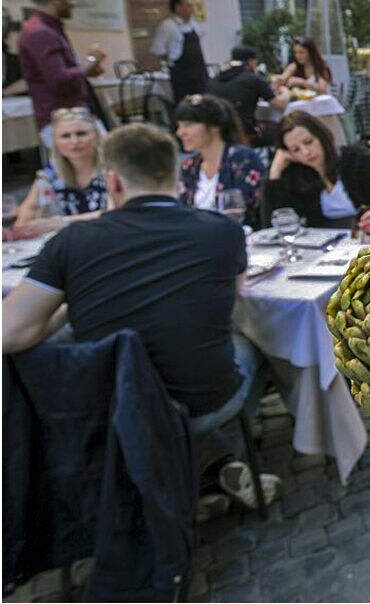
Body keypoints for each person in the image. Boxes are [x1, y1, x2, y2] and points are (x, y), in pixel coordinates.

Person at [2, 122, 276, 508]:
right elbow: (226, 304)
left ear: (112, 181)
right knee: (255, 342)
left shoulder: (72, 242)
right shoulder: (223, 231)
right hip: (204, 401)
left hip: (111, 404)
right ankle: (219, 459)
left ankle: (201, 467)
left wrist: (69, 303)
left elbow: (9, 334)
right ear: (177, 172)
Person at [265, 111, 370, 233]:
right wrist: (275, 173)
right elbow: (275, 222)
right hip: (323, 247)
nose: (306, 152)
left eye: (308, 142)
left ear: (322, 136)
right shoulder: (296, 173)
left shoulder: (356, 159)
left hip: (366, 240)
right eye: (295, 150)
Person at [18, 0, 107, 148]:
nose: (73, 3)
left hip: (72, 115)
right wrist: (90, 65)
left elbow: (66, 71)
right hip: (64, 120)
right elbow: (58, 79)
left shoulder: (48, 28)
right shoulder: (40, 32)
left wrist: (88, 67)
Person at [12, 107, 107, 238]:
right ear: (55, 142)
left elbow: (119, 212)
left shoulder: (113, 168)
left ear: (96, 136)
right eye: (65, 136)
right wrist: (22, 226)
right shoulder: (52, 173)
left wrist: (60, 222)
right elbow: (30, 207)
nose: (74, 142)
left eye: (81, 134)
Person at [175, 94, 264, 227]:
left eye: (188, 125)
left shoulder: (243, 159)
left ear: (214, 126)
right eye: (179, 126)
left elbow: (248, 214)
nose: (180, 132)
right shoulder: (189, 166)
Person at [208, 45, 288, 147]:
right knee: (280, 129)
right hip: (244, 134)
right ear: (251, 62)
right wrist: (285, 92)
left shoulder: (214, 80)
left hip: (216, 134)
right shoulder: (254, 79)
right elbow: (280, 105)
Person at [149, 0, 208, 103]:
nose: (192, 9)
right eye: (188, 6)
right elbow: (157, 49)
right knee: (186, 102)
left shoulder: (194, 25)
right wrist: (171, 61)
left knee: (203, 101)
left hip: (199, 71)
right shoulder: (167, 26)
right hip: (182, 73)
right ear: (177, 7)